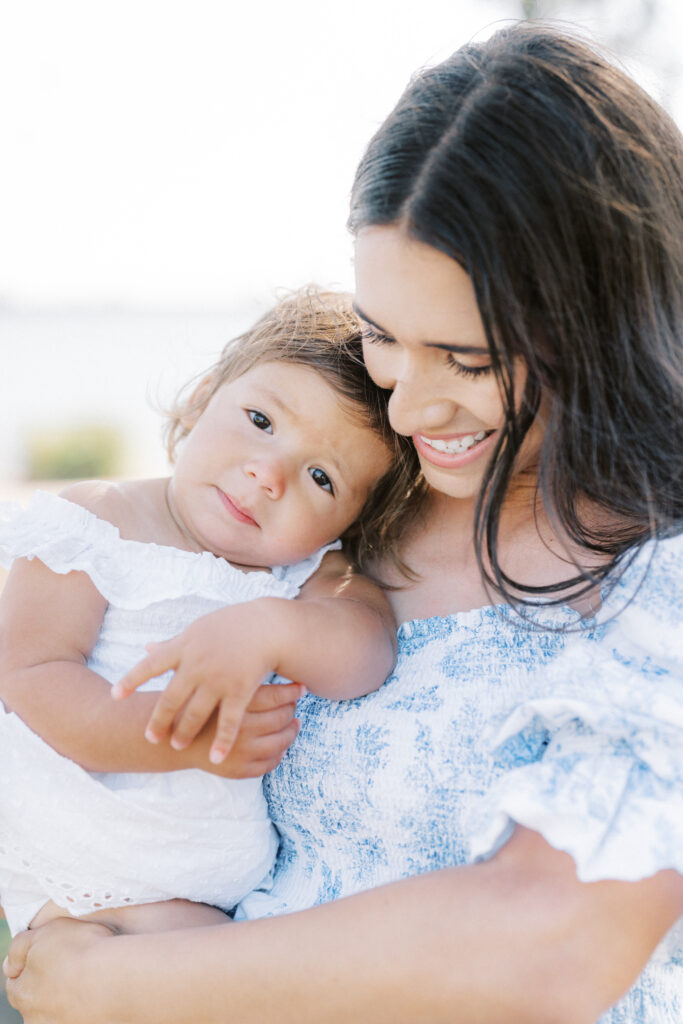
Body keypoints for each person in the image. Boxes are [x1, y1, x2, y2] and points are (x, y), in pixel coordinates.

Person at [4, 22, 683, 1024]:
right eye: (381, 337)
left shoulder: (653, 576)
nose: (407, 409)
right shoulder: (349, 525)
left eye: (466, 359)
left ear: (603, 322)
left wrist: (108, 986)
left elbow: (552, 940)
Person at [0, 287, 413, 938]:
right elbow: (31, 677)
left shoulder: (309, 574)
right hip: (80, 844)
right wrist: (176, 738)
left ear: (353, 519)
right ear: (202, 394)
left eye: (321, 478)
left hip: (207, 885)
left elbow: (365, 654)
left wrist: (271, 627)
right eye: (260, 420)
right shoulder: (97, 523)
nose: (267, 474)